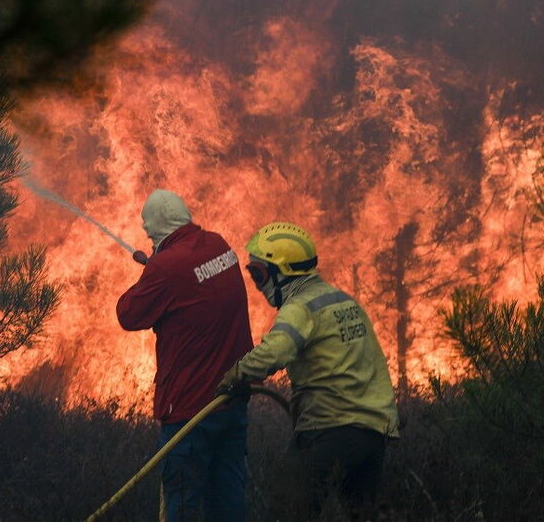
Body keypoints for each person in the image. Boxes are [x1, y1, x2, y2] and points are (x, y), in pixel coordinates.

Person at [217, 221, 399, 511]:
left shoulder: (300, 306)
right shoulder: (343, 302)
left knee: (285, 507)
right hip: (373, 434)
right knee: (360, 514)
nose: (256, 282)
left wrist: (234, 375)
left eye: (258, 273)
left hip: (330, 430)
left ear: (281, 271)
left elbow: (274, 352)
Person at [116, 190, 253, 522]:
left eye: (149, 231)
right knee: (228, 497)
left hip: (189, 410)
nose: (147, 236)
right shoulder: (219, 245)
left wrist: (154, 273)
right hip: (231, 399)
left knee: (183, 501)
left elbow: (129, 315)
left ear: (158, 228)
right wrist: (160, 270)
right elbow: (194, 289)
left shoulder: (165, 268)